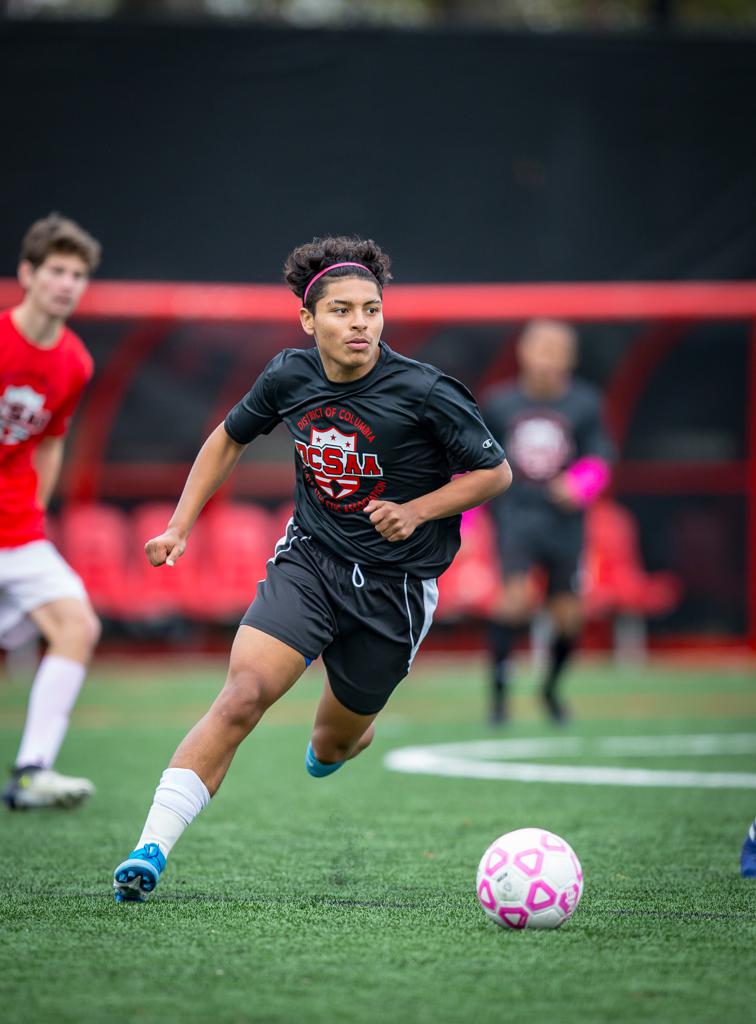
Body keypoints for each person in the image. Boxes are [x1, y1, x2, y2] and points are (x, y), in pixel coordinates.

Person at [112, 235, 512, 902]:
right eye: (343, 310)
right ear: (309, 320)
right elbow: (228, 438)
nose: (360, 323)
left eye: (372, 309)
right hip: (311, 563)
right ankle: (150, 846)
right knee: (242, 696)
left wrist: (417, 511)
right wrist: (180, 523)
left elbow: (494, 472)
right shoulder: (288, 376)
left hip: (396, 592)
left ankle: (346, 735)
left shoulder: (426, 391)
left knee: (332, 746)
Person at [1, 213, 102, 809]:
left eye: (78, 274)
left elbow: (52, 438)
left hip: (17, 529)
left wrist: (36, 506)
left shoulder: (75, 363)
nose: (67, 283)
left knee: (78, 624)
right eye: (57, 271)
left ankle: (33, 770)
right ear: (27, 274)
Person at [482, 319, 613, 724]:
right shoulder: (500, 403)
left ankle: (551, 690)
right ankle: (500, 697)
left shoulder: (585, 403)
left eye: (556, 351)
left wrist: (581, 484)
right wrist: (468, 519)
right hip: (516, 516)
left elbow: (601, 454)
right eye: (540, 349)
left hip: (564, 523)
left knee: (568, 614)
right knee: (515, 601)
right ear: (523, 352)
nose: (546, 359)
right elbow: (476, 459)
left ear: (570, 359)